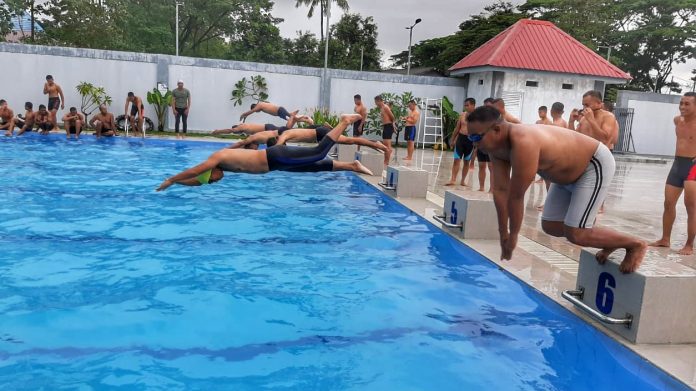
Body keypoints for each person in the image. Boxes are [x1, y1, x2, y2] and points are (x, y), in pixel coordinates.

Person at [467, 105, 646, 273]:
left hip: (592, 165)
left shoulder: (523, 141)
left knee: (576, 234)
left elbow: (515, 196)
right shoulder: (494, 147)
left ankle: (635, 244)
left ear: (497, 130)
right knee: (551, 226)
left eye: (476, 137)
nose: (473, 143)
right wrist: (502, 233)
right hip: (563, 176)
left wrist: (513, 236)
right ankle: (604, 237)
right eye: (470, 138)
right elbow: (499, 190)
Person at [156, 114, 372, 191]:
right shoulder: (222, 167)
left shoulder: (217, 159)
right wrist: (178, 184)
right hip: (277, 164)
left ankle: (344, 121)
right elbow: (197, 180)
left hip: (275, 156)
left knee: (317, 153)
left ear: (212, 171)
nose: (215, 182)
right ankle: (352, 166)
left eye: (211, 181)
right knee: (311, 168)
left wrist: (170, 179)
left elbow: (196, 171)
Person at [650, 93, 696, 255]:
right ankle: (665, 239)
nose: (682, 107)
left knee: (691, 207)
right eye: (681, 103)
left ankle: (689, 245)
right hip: (677, 165)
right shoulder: (677, 121)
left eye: (687, 104)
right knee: (668, 203)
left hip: (693, 166)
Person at [276, 125, 388, 154]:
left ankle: (376, 144)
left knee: (350, 140)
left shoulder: (284, 135)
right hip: (319, 132)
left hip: (320, 133)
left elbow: (278, 148)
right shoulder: (287, 133)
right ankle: (375, 145)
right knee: (351, 141)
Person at [445, 97, 476, 186]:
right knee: (456, 159)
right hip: (461, 139)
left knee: (466, 161)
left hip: (470, 141)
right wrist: (452, 139)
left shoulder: (477, 117)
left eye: (467, 105)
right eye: (465, 105)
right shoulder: (462, 115)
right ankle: (453, 179)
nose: (466, 107)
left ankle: (463, 180)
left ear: (473, 105)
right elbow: (457, 128)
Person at [239, 101, 313, 125]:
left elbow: (251, 112)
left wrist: (243, 115)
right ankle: (304, 119)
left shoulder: (259, 105)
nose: (257, 111)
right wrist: (245, 118)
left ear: (254, 107)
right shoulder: (262, 104)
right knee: (292, 118)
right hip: (280, 111)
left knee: (292, 119)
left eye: (256, 110)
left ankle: (305, 117)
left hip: (280, 111)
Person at [375, 95, 395, 165]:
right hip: (386, 126)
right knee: (386, 145)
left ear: (379, 101)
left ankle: (386, 162)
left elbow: (392, 117)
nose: (376, 104)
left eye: (376, 102)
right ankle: (386, 159)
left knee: (387, 145)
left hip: (388, 127)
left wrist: (392, 125)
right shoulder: (382, 108)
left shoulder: (386, 107)